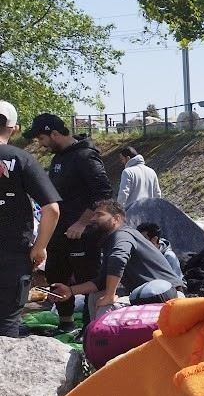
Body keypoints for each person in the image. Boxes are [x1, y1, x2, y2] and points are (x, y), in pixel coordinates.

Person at [25, 113, 113, 330]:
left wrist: (82, 223)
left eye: (42, 139)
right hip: (59, 233)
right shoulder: (59, 158)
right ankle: (65, 324)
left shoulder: (85, 156)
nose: (41, 144)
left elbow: (104, 192)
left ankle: (90, 328)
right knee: (56, 276)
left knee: (86, 280)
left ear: (54, 134)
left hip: (83, 236)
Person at [50, 200, 184, 321]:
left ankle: (103, 344)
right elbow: (101, 282)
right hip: (148, 295)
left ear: (116, 218)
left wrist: (110, 295)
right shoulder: (109, 241)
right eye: (93, 215)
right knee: (95, 296)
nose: (93, 219)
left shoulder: (123, 234)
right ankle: (93, 336)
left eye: (99, 215)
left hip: (166, 295)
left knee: (106, 307)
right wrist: (70, 290)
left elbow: (118, 258)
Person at [0, 101, 61, 337]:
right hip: (13, 255)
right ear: (14, 129)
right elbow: (51, 209)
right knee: (6, 324)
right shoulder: (21, 158)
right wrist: (40, 247)